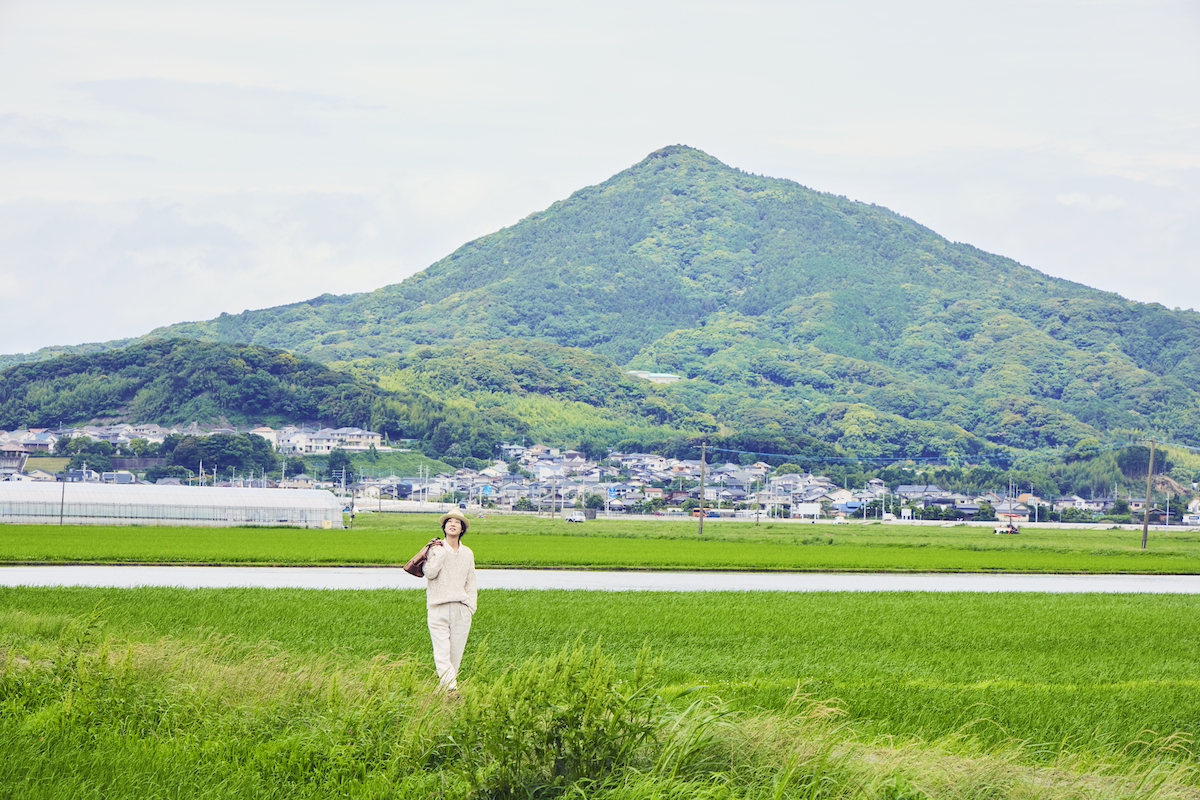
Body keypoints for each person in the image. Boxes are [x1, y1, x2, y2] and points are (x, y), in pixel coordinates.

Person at [421, 510, 477, 691]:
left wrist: (471, 607)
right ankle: (452, 689)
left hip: (461, 608)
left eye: (457, 522)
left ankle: (444, 694)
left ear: (462, 529)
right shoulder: (435, 549)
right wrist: (440, 553)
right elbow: (429, 573)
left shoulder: (468, 553)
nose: (453, 524)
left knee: (455, 656)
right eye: (449, 522)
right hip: (438, 608)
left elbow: (471, 582)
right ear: (444, 527)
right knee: (441, 653)